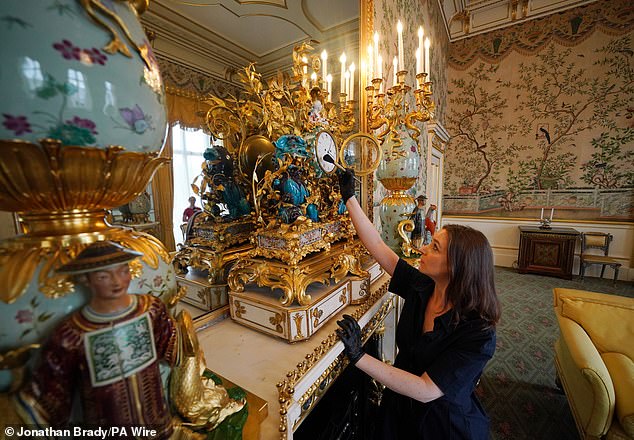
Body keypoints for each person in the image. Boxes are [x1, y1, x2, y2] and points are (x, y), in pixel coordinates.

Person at [13, 241, 244, 438]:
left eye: (122, 271)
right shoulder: (73, 332)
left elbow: (174, 351)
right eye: (104, 275)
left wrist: (186, 339)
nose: (116, 281)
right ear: (85, 279)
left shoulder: (150, 310)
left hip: (155, 416)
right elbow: (53, 392)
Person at [336, 169, 501, 440]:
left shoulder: (479, 334)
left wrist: (360, 357)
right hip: (401, 406)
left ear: (457, 267)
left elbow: (426, 389)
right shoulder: (423, 286)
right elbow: (377, 245)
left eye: (434, 247)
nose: (422, 248)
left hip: (440, 423)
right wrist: (349, 197)